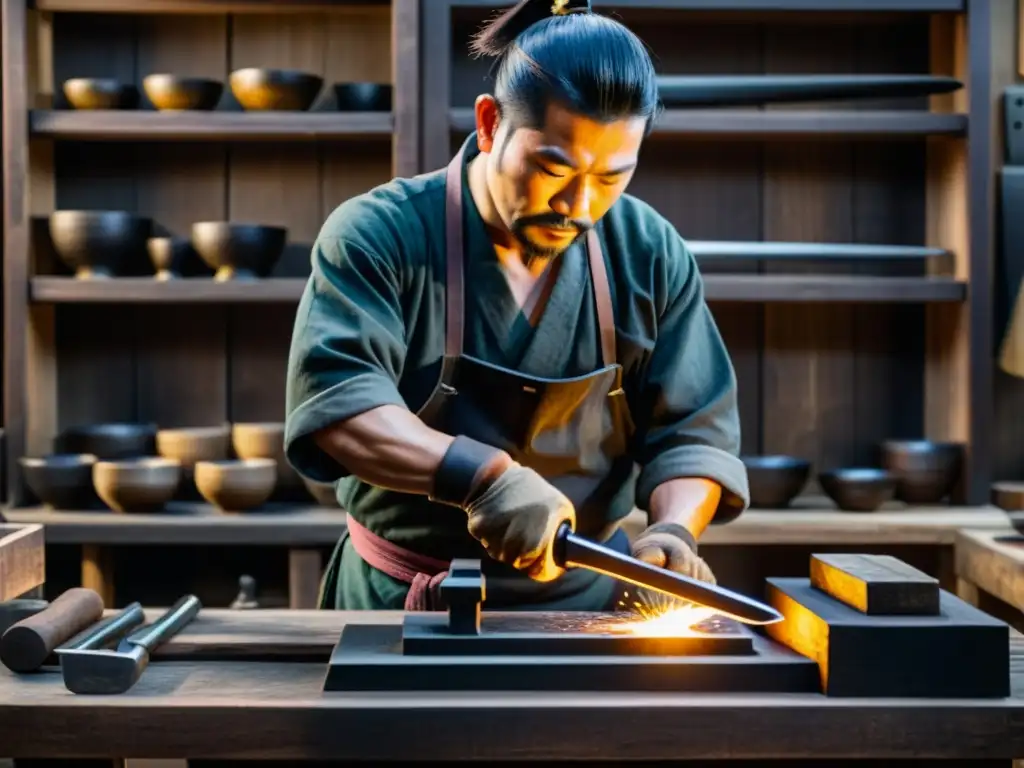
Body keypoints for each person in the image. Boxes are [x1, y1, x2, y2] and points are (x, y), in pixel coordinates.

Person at [283, 0, 750, 613]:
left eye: (612, 178)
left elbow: (694, 434)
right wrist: (482, 479)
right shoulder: (380, 234)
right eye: (552, 168)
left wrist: (674, 528)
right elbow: (341, 408)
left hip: (585, 608)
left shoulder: (647, 250)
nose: (579, 207)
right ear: (488, 124)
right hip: (402, 603)